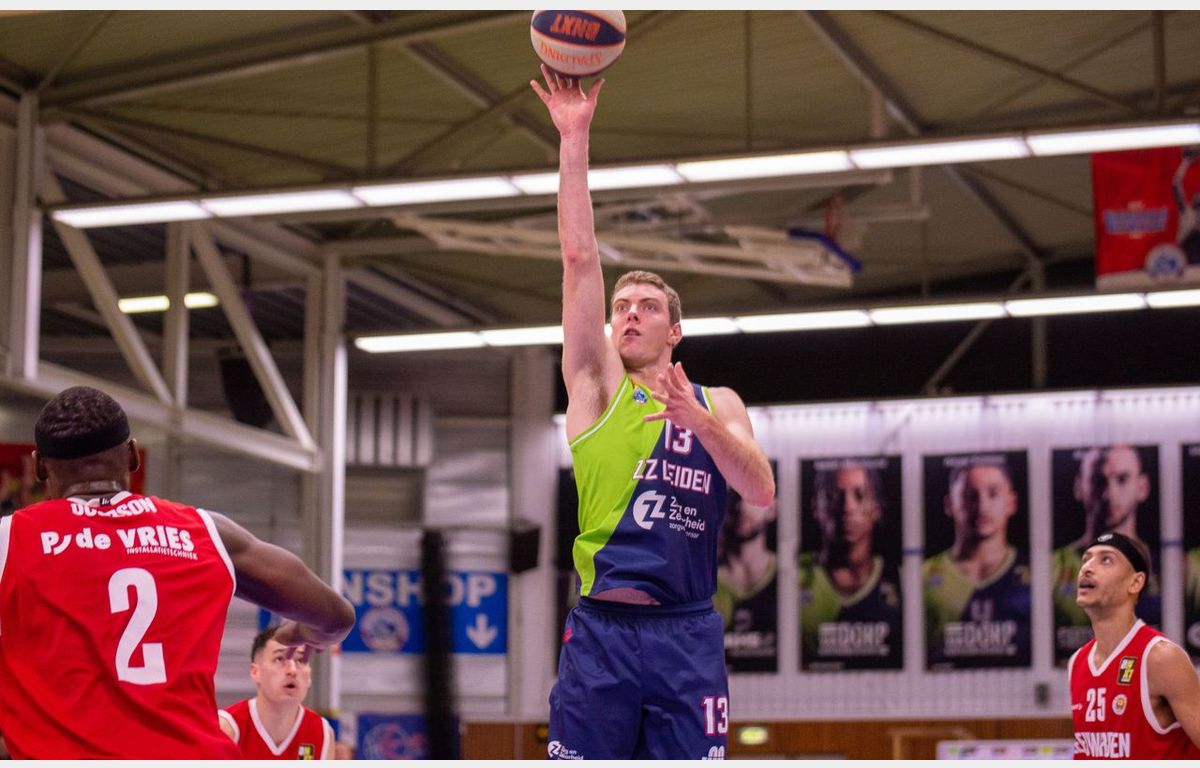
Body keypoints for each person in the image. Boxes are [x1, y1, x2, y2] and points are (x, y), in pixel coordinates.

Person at [532, 65, 775, 760]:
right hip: (603, 632)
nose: (630, 314)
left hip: (687, 632)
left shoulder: (718, 403)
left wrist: (701, 425)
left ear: (675, 331)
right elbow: (579, 259)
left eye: (647, 307)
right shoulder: (595, 386)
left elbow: (761, 490)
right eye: (622, 307)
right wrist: (573, 138)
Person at [0, 386, 356, 759]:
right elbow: (337, 616)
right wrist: (303, 633)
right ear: (132, 455)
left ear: (39, 467)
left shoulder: (12, 540)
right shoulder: (207, 532)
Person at [1068, 532, 1200, 758]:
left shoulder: (1160, 658)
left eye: (1106, 560)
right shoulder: (1077, 663)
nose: (1087, 568)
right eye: (1086, 559)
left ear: (1135, 582)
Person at [1053, 444, 1161, 660]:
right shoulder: (1053, 568)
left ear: (1142, 487)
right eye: (1098, 480)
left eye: (1122, 479)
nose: (1109, 493)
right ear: (1079, 487)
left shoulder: (1176, 569)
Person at [924, 456, 1031, 668]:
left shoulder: (1039, 574)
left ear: (1011, 502)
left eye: (993, 493)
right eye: (969, 495)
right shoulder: (922, 576)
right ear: (949, 505)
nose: (982, 505)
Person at [799, 461, 901, 670]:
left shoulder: (902, 578)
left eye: (860, 495)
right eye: (833, 496)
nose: (847, 508)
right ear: (816, 506)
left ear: (878, 507)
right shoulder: (792, 577)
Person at [219, 625, 335, 759]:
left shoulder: (322, 733)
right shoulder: (226, 728)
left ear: (309, 676)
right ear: (255, 672)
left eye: (300, 660)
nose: (292, 670)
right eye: (280, 659)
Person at [714, 488, 778, 671]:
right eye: (732, 496)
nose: (740, 506)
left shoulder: (791, 580)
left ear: (773, 508)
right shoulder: (701, 580)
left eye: (751, 497)